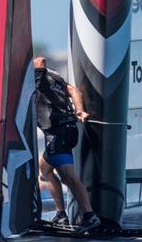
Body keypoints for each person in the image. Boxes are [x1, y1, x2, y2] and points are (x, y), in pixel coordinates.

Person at [33, 56, 99, 230]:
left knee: (69, 177)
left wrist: (30, 70)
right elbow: (74, 90)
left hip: (58, 134)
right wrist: (79, 111)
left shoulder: (39, 79)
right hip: (67, 131)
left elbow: (40, 60)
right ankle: (61, 214)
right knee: (45, 168)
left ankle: (89, 215)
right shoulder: (55, 78)